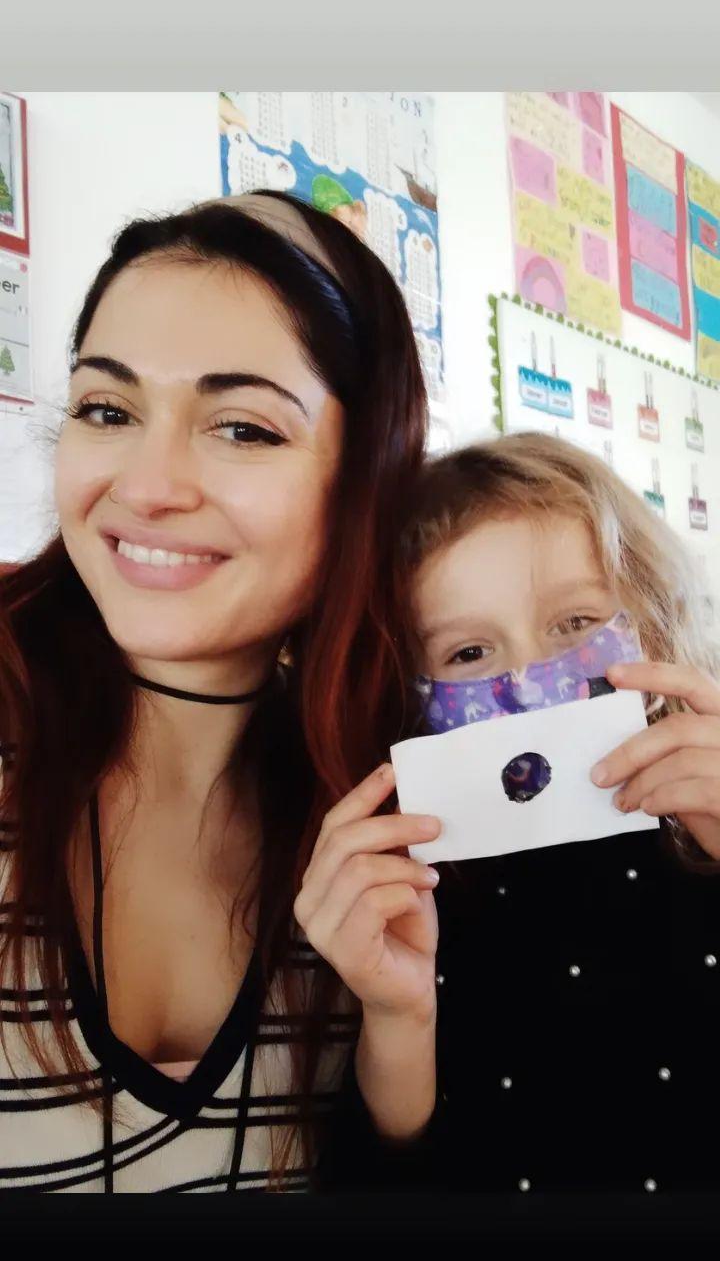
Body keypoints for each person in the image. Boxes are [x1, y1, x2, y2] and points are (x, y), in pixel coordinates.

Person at [0, 189, 434, 1192]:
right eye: (107, 411)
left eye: (241, 428)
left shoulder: (395, 806)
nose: (147, 487)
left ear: (366, 475)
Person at [305, 431, 720, 1193]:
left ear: (652, 620)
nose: (531, 683)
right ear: (411, 697)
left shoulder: (704, 829)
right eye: (468, 655)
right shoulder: (417, 897)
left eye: (575, 624)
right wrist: (397, 1021)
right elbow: (382, 1184)